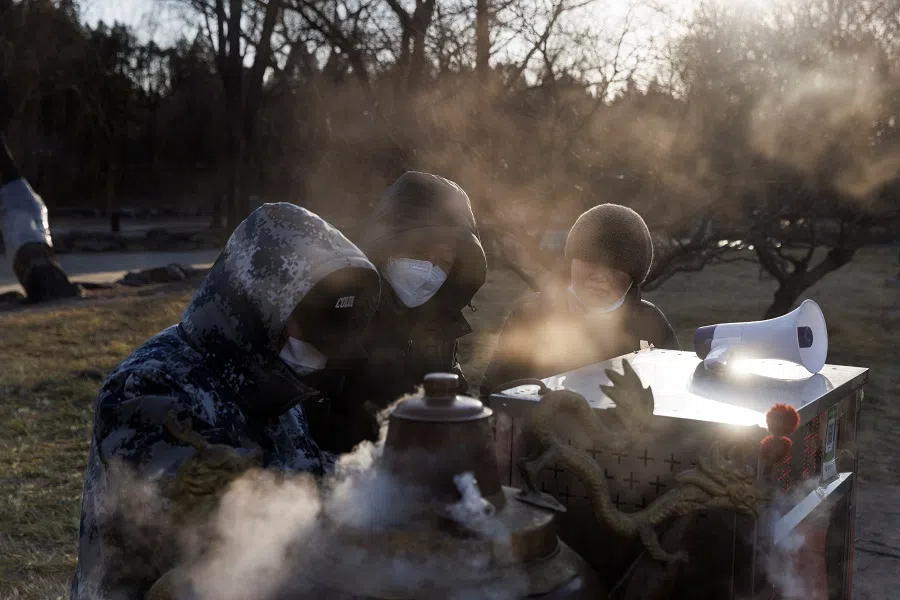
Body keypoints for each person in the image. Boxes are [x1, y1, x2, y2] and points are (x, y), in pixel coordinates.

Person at [70, 203, 382, 600]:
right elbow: (214, 505)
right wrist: (375, 482)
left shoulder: (272, 374)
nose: (323, 342)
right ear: (253, 305)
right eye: (308, 319)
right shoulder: (148, 384)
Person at [480, 203, 680, 396]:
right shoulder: (532, 314)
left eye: (614, 268)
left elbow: (673, 389)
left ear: (633, 277)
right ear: (572, 261)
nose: (599, 275)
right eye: (590, 261)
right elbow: (495, 389)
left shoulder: (651, 322)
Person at [351, 171, 487, 413]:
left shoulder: (438, 323)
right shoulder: (347, 317)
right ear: (385, 247)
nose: (429, 269)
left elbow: (454, 395)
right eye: (419, 252)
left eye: (444, 262)